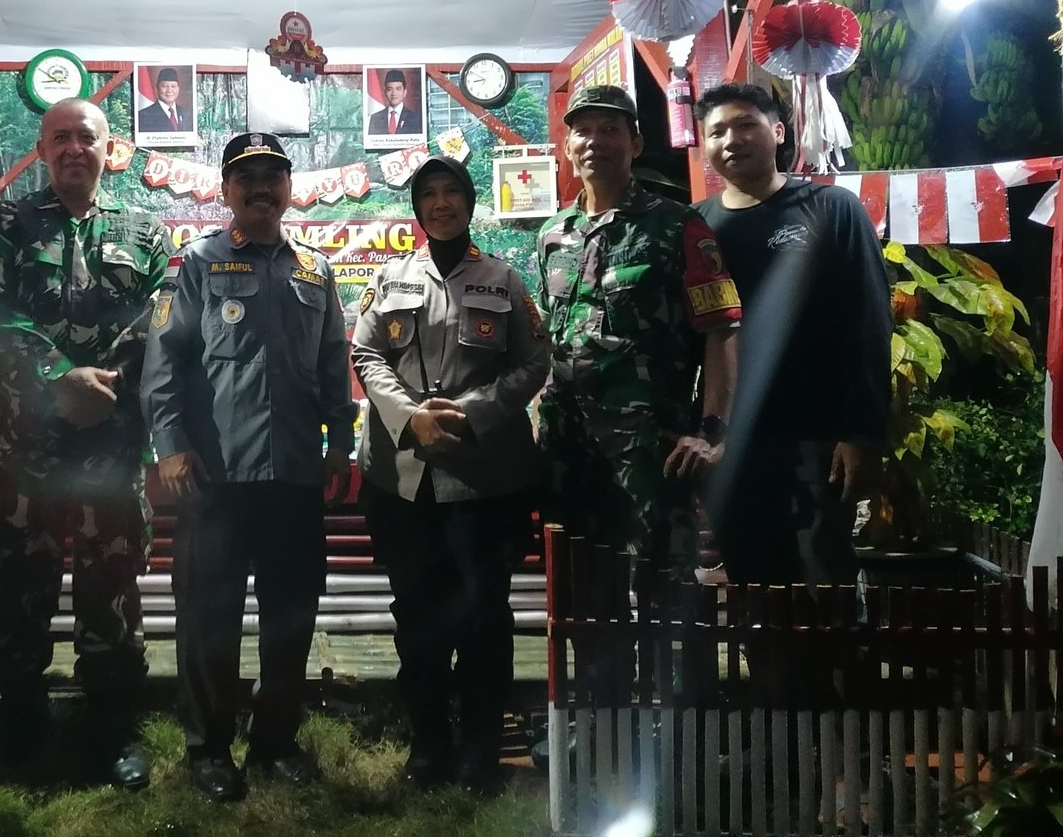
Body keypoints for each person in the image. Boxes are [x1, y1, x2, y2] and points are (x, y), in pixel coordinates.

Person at [0, 97, 171, 790]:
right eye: (60, 137)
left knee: (112, 583)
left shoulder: (145, 230)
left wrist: (105, 383)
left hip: (113, 442)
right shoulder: (6, 225)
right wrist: (59, 376)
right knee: (23, 584)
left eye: (86, 136)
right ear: (44, 148)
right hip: (29, 445)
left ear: (109, 149)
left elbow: (160, 317)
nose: (73, 147)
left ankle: (112, 728)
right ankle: (17, 723)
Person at [140, 131, 357, 802]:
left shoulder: (316, 272)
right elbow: (163, 363)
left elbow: (333, 366)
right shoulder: (195, 264)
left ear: (288, 188)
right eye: (247, 177)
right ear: (227, 191)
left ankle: (276, 741)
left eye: (273, 176)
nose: (261, 188)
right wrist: (170, 442)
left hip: (293, 473)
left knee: (291, 615)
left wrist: (340, 443)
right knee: (209, 617)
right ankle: (209, 747)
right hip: (215, 476)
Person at [351, 156, 550, 791]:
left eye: (452, 192)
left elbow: (534, 362)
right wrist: (410, 417)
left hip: (484, 482)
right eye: (429, 194)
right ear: (417, 209)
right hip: (403, 482)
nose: (441, 203)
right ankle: (429, 745)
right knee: (417, 614)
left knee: (485, 616)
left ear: (469, 203)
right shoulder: (390, 278)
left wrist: (470, 413)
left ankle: (481, 750)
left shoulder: (503, 279)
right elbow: (365, 352)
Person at [534, 85, 739, 578]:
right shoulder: (553, 234)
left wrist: (712, 430)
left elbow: (722, 330)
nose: (595, 141)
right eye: (583, 131)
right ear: (568, 147)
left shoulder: (678, 226)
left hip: (650, 447)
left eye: (610, 129)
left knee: (664, 594)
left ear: (636, 143)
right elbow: (545, 337)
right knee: (579, 588)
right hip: (568, 446)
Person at [695, 82, 889, 588]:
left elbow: (870, 321)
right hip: (732, 441)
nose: (731, 139)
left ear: (778, 132)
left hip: (818, 435)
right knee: (751, 579)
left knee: (823, 575)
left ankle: (838, 644)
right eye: (717, 131)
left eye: (745, 124)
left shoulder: (833, 209)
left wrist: (863, 433)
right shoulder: (695, 227)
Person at [370, 69, 421, 136]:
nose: (394, 93)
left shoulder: (415, 118)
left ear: (405, 92)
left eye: (398, 89)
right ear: (385, 92)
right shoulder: (375, 118)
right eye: (390, 89)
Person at [136, 68, 188, 133]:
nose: (169, 90)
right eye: (165, 86)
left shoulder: (185, 113)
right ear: (157, 88)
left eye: (173, 86)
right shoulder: (144, 116)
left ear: (178, 89)